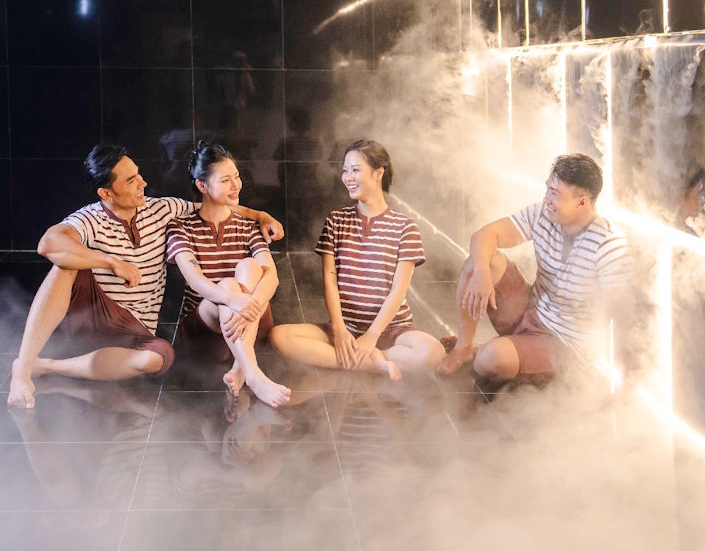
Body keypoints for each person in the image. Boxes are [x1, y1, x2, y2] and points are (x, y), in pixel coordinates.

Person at [7, 144, 282, 409]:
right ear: (107, 193)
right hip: (94, 314)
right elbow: (49, 243)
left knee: (157, 358)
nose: (143, 183)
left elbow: (215, 205)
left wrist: (262, 216)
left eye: (138, 174)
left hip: (137, 326)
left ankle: (47, 365)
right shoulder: (89, 218)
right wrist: (110, 261)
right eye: (130, 181)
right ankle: (23, 367)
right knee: (63, 265)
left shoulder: (162, 210)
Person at [437, 153, 633, 383]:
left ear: (582, 202)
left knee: (488, 360)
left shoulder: (607, 245)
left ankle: (488, 352)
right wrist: (481, 273)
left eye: (555, 194)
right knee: (480, 261)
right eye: (548, 189)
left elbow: (624, 313)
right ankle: (464, 348)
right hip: (530, 311)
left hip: (563, 344)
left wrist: (628, 380)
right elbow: (485, 235)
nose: (547, 199)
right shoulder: (543, 214)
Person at [269, 140, 446, 379]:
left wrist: (371, 336)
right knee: (279, 337)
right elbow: (329, 280)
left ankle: (355, 356)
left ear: (378, 173)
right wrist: (340, 330)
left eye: (355, 170)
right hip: (346, 327)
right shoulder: (336, 221)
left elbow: (398, 290)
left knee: (433, 353)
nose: (347, 177)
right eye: (345, 170)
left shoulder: (405, 226)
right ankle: (373, 364)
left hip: (391, 330)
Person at [166, 142, 292, 407]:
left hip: (250, 319)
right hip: (205, 330)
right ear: (202, 186)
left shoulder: (249, 225)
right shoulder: (180, 227)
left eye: (236, 176)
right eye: (225, 180)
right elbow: (195, 280)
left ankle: (242, 366)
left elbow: (272, 277)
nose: (236, 185)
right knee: (228, 285)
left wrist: (247, 304)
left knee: (250, 266)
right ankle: (255, 376)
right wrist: (233, 299)